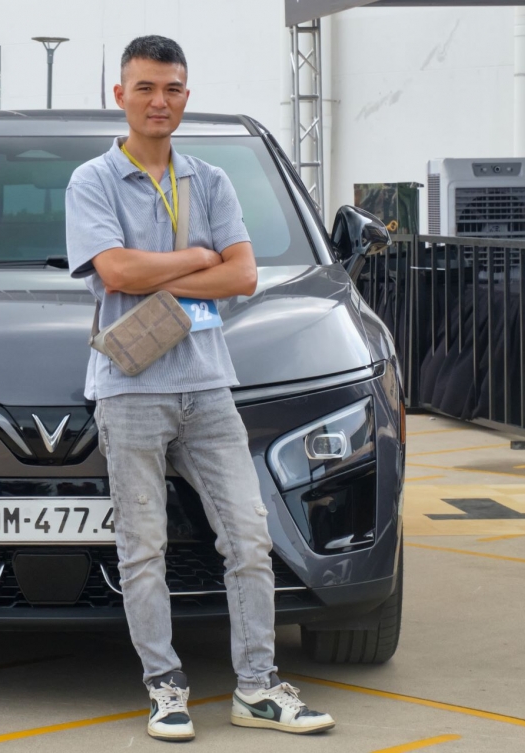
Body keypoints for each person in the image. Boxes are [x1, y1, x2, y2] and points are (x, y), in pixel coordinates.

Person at [65, 36, 335, 742]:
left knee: (249, 536)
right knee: (142, 548)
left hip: (209, 386)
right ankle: (165, 689)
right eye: (146, 87)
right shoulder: (92, 181)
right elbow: (115, 272)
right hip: (130, 389)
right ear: (120, 95)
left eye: (173, 88)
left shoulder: (210, 180)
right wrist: (194, 257)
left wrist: (164, 270)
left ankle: (257, 688)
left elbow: (242, 275)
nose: (160, 101)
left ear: (186, 95)